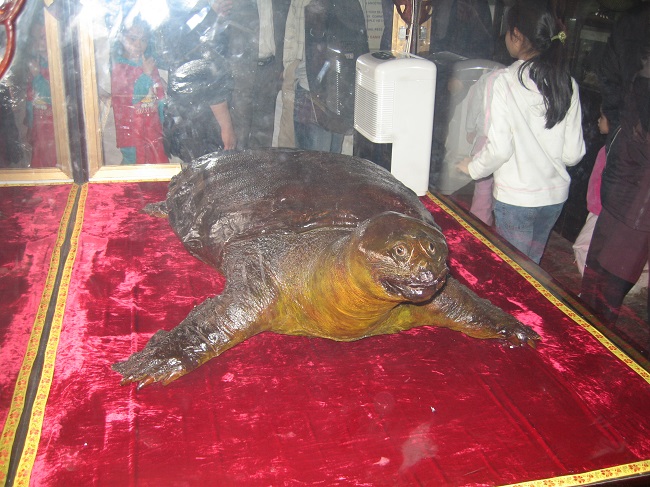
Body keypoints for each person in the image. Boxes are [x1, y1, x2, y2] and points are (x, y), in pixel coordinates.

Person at [457, 0, 585, 264]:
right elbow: (573, 154)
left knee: (514, 271)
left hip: (517, 198)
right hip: (554, 196)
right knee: (532, 265)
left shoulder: (503, 81)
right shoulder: (567, 82)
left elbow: (499, 148)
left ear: (517, 35)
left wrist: (472, 168)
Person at [580, 3, 650, 323]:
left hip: (631, 176)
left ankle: (593, 340)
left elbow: (611, 82)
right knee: (602, 279)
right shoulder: (633, 27)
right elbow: (611, 82)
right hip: (628, 171)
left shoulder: (632, 25)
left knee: (604, 279)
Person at [280, 0, 368, 153]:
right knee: (315, 165)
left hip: (340, 92)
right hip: (313, 93)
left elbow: (359, 43)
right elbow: (292, 38)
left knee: (331, 164)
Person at [159, 0, 236, 164]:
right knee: (205, 176)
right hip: (200, 122)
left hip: (183, 117)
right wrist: (226, 126)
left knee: (194, 175)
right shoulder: (198, 18)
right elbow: (209, 77)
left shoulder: (182, 14)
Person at [226, 0, 291, 149]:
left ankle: (259, 168)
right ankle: (237, 168)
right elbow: (224, 34)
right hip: (242, 72)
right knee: (239, 130)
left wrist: (282, 65)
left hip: (270, 70)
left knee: (264, 130)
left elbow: (285, 32)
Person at [110, 17, 168, 165]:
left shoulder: (148, 63)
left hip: (152, 128)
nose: (138, 45)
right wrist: (146, 75)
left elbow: (159, 97)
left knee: (155, 162)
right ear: (122, 39)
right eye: (133, 39)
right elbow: (128, 99)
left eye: (143, 40)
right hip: (131, 132)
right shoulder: (119, 67)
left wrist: (160, 86)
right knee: (132, 165)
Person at [25, 21, 57, 168]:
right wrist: (31, 128)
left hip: (54, 130)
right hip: (40, 130)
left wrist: (38, 76)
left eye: (43, 37)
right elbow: (31, 100)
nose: (40, 42)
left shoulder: (57, 65)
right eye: (37, 38)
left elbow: (55, 97)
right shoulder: (35, 63)